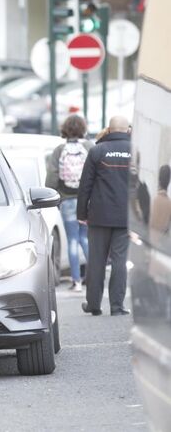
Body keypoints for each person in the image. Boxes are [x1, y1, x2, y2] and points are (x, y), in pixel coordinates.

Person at [77, 116, 132, 316]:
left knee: (96, 260)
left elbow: (85, 186)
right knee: (120, 260)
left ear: (109, 129)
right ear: (128, 130)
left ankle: (94, 304)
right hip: (126, 216)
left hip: (99, 215)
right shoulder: (136, 152)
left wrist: (82, 213)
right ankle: (117, 306)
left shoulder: (97, 151)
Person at [46, 114, 93, 292]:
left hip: (66, 200)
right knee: (85, 238)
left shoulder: (59, 150)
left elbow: (52, 177)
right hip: (87, 200)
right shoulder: (89, 147)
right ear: (83, 128)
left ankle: (77, 282)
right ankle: (94, 277)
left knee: (72, 239)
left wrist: (53, 195)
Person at [149, 164, 171, 244]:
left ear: (159, 180)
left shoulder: (154, 200)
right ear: (169, 181)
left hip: (152, 244)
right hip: (163, 246)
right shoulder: (169, 203)